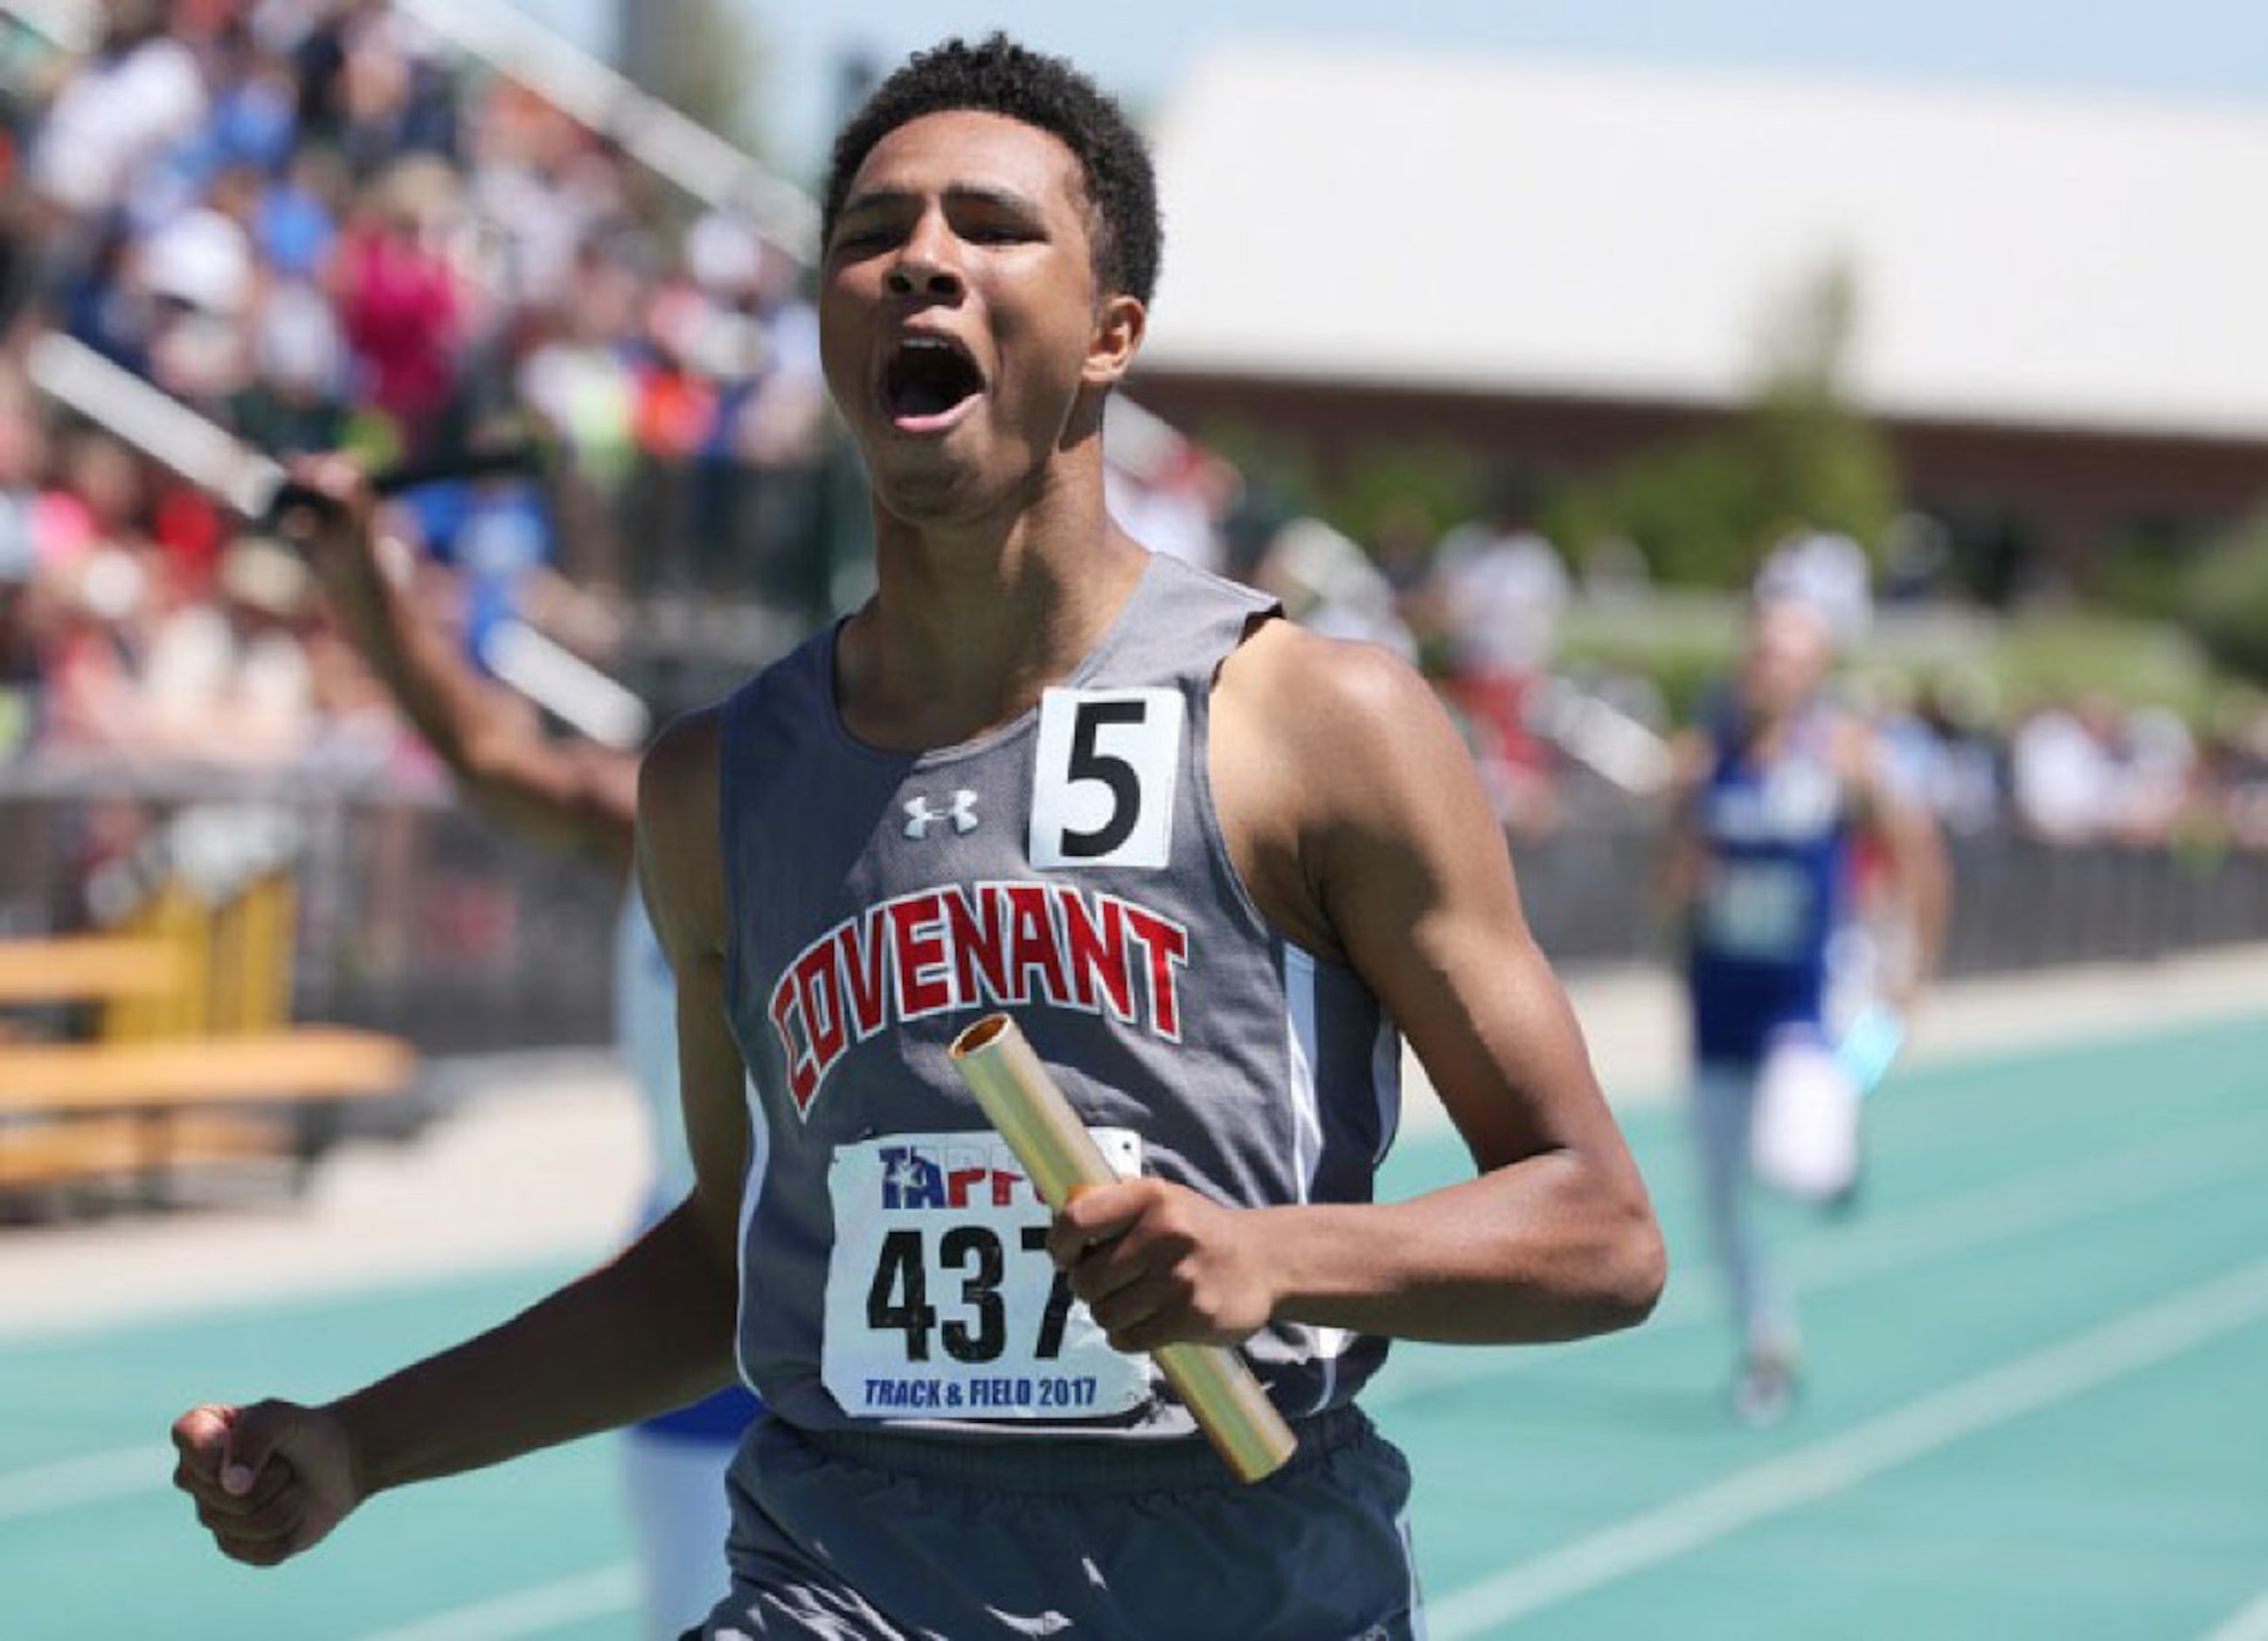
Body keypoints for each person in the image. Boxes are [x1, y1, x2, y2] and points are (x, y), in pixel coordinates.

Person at [171, 36, 1664, 1639]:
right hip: (841, 1573)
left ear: (1112, 333)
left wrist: (1270, 1255)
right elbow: (720, 1266)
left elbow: (1598, 1224)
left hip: (1240, 1575)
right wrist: (358, 1442)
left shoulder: (1314, 722)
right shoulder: (720, 784)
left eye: (989, 225)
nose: (921, 261)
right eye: (873, 233)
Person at [278, 453, 759, 1638]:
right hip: (689, 1305)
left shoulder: (892, 845)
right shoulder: (657, 822)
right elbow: (486, 757)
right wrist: (362, 575)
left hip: (865, 1324)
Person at [1661, 588, 1949, 1427]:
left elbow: (1919, 858)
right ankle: (1766, 1346)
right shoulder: (1702, 758)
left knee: (1790, 1162)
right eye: (1760, 652)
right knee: (1717, 1199)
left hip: (1802, 1000)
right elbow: (1671, 869)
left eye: (1789, 656)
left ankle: (1839, 1128)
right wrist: (1676, 921)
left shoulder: (1845, 757)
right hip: (1719, 999)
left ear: (1816, 671)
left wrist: (1910, 972)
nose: (1770, 670)